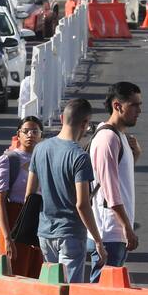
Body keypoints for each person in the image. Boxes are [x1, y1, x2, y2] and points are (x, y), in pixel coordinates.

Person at [24, 98, 105, 284]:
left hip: (45, 232)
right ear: (85, 123)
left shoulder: (40, 149)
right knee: (69, 290)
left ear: (62, 118)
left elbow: (29, 194)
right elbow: (82, 204)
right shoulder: (80, 157)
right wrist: (98, 241)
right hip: (70, 233)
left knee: (51, 288)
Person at [87, 82, 143, 282]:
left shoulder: (119, 137)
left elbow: (118, 177)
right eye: (134, 105)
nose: (139, 111)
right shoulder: (108, 139)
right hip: (109, 231)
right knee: (101, 291)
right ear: (117, 106)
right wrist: (127, 227)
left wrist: (134, 155)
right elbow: (110, 191)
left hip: (113, 231)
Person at [0, 115, 44, 278]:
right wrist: (7, 237)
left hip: (40, 221)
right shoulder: (9, 160)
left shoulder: (45, 158)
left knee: (37, 272)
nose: (30, 135)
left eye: (35, 131)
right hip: (16, 221)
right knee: (16, 272)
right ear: (18, 135)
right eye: (26, 131)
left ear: (41, 135)